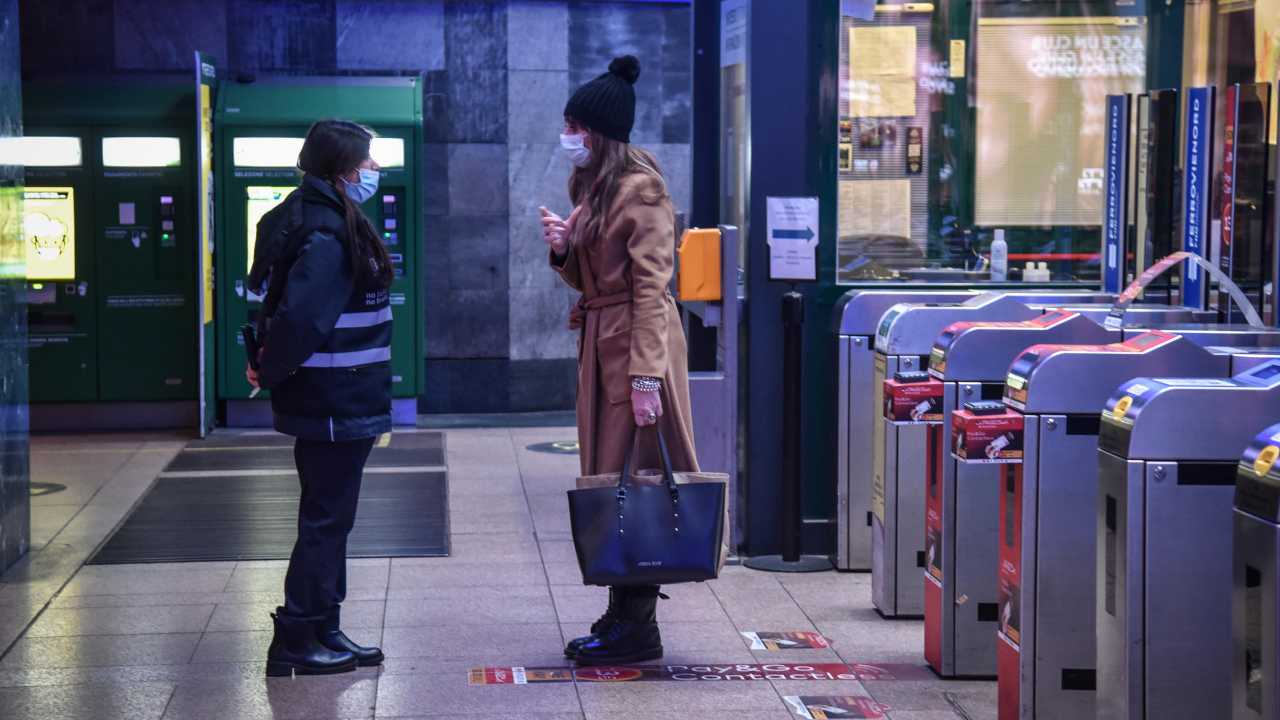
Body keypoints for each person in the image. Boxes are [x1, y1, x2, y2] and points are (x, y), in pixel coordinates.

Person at [541, 55, 699, 666]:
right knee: (613, 477)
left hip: (637, 346)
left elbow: (651, 290)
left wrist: (642, 378)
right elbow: (595, 279)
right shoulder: (593, 186)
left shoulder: (643, 190)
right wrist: (565, 250)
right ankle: (621, 611)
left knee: (637, 478)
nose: (568, 135)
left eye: (575, 125)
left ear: (599, 131)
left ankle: (636, 623)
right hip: (605, 342)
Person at [245, 119, 394, 677]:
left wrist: (267, 362)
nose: (375, 171)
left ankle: (324, 625)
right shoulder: (328, 232)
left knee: (332, 517)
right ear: (344, 171)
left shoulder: (318, 215)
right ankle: (298, 636)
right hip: (334, 398)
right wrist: (269, 368)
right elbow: (303, 317)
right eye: (369, 163)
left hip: (340, 394)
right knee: (326, 519)